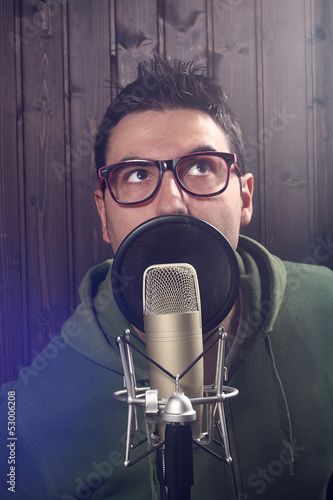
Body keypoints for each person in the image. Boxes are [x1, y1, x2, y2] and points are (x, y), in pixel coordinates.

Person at [1, 56, 332, 500]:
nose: (171, 201)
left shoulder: (327, 311)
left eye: (200, 167)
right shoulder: (25, 416)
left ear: (245, 196)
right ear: (104, 214)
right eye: (137, 174)